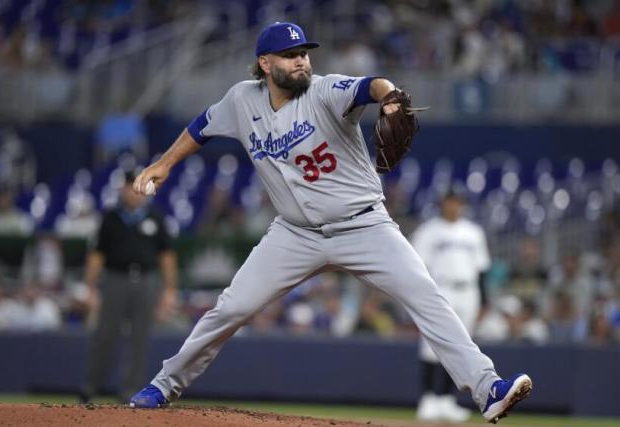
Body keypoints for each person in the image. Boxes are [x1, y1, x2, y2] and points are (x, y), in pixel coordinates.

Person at [129, 22, 532, 423]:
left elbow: (371, 85)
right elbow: (201, 126)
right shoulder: (242, 101)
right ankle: (164, 384)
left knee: (426, 296)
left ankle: (487, 387)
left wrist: (389, 96)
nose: (302, 60)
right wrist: (164, 163)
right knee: (230, 308)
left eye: (304, 52)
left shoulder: (325, 90)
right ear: (265, 63)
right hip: (294, 234)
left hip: (364, 226)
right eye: (291, 55)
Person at [80, 171, 177, 403]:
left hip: (146, 280)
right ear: (123, 190)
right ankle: (90, 387)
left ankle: (128, 391)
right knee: (105, 334)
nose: (134, 194)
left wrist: (170, 289)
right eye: (129, 188)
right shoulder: (112, 217)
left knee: (140, 338)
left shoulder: (155, 217)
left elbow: (167, 256)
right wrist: (90, 286)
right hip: (115, 278)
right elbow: (97, 254)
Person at [411, 191, 491, 422]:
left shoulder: (473, 232)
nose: (454, 206)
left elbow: (482, 269)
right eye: (450, 201)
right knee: (430, 345)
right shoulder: (429, 231)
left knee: (459, 346)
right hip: (440, 289)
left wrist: (485, 300)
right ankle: (427, 399)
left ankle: (446, 400)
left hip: (469, 291)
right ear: (442, 204)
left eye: (458, 201)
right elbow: (416, 266)